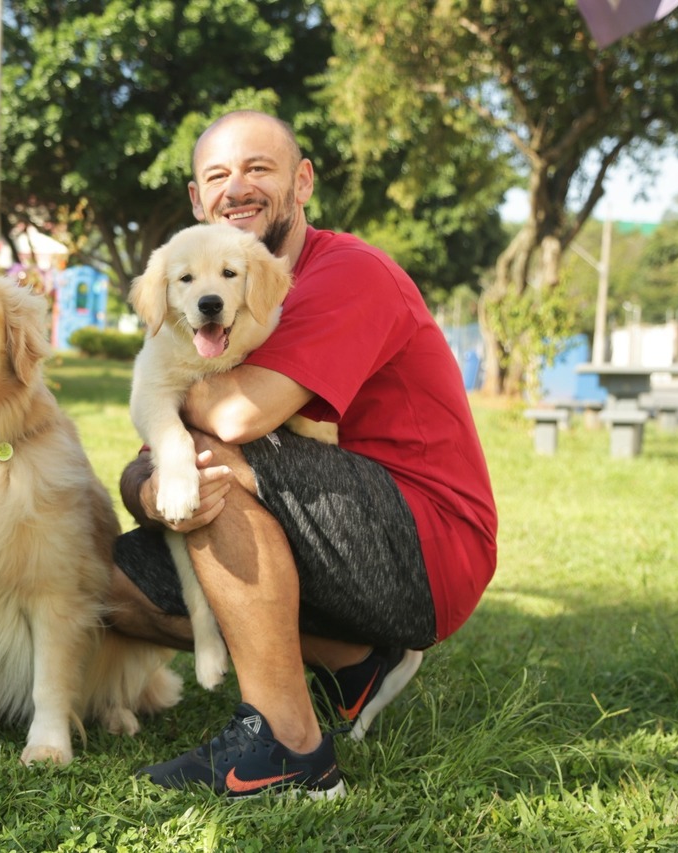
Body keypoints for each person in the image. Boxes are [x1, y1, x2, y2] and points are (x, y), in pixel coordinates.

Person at [110, 110, 498, 798]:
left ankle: (290, 748)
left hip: (424, 546)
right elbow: (149, 460)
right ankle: (356, 665)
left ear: (302, 182)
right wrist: (147, 486)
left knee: (206, 461)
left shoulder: (347, 271)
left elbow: (233, 415)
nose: (238, 188)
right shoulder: (205, 301)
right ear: (198, 200)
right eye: (217, 176)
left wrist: (165, 394)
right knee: (97, 582)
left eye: (259, 168)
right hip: (321, 524)